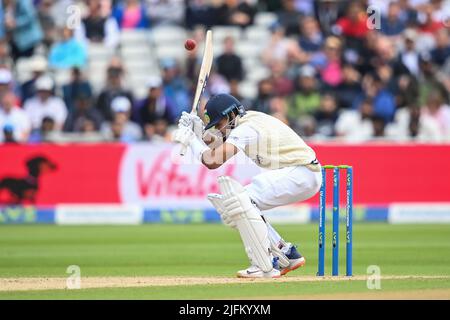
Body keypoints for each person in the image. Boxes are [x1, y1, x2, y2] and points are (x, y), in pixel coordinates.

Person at [173, 94, 322, 278]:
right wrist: (196, 133)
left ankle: (265, 266)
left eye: (219, 124)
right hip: (300, 173)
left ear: (231, 114)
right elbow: (215, 147)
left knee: (240, 201)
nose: (219, 130)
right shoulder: (245, 122)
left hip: (302, 172)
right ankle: (287, 253)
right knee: (235, 206)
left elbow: (213, 160)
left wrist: (192, 141)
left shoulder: (247, 129)